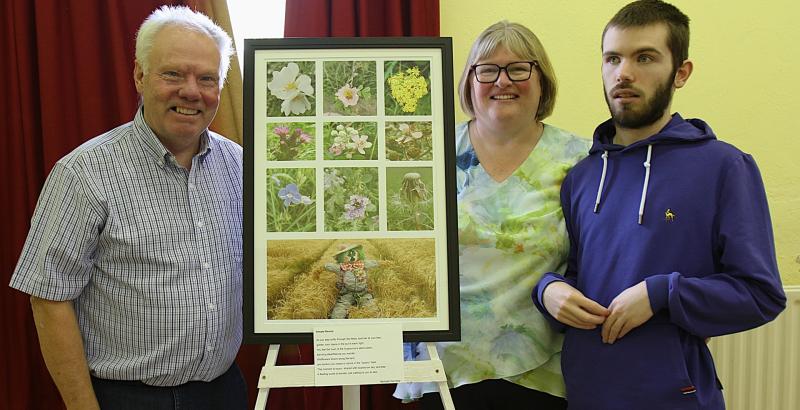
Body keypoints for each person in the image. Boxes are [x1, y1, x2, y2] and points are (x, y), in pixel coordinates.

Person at [533, 1, 786, 409]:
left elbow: (761, 295)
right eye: (612, 58)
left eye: (645, 57)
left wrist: (661, 294)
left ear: (680, 72)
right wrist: (548, 290)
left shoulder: (724, 167)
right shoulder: (582, 177)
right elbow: (579, 275)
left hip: (675, 397)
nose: (624, 72)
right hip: (586, 394)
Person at [9, 6, 246, 409]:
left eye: (207, 78)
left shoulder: (242, 167)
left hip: (223, 392)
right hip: (125, 398)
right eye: (173, 73)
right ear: (139, 75)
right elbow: (48, 299)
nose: (192, 91)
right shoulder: (83, 173)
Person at [395, 21, 590, 410]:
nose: (503, 81)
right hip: (441, 369)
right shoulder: (425, 154)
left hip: (542, 373)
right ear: (469, 82)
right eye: (487, 70)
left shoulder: (581, 160)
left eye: (519, 68)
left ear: (542, 81)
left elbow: (598, 257)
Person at [325, 244, 378, 319]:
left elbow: (374, 263)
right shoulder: (342, 267)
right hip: (347, 293)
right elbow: (330, 266)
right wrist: (324, 266)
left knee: (371, 307)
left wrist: (382, 263)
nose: (352, 256)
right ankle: (336, 320)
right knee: (340, 308)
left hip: (363, 292)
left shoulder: (363, 264)